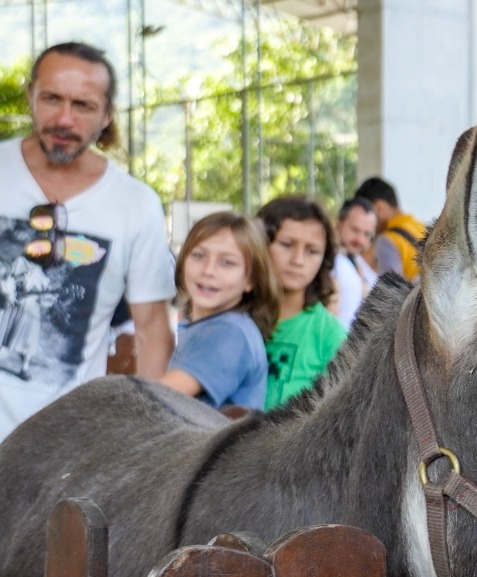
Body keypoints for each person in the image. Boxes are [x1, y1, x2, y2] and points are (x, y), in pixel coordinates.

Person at [0, 41, 174, 440]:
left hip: (64, 451)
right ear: (30, 97)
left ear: (107, 115)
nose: (64, 118)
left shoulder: (136, 204)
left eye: (83, 106)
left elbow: (151, 329)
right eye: (51, 99)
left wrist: (153, 439)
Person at [158, 212, 275, 410]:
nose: (209, 270)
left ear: (251, 280)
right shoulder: (209, 325)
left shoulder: (230, 333)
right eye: (199, 255)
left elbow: (161, 397)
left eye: (227, 262)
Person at [258, 196, 346, 409]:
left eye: (312, 251)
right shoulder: (235, 320)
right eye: (286, 245)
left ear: (324, 259)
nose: (298, 260)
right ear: (259, 245)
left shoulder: (330, 334)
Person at [353, 176, 427, 283]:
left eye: (367, 212)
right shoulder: (420, 226)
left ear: (379, 207)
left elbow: (391, 291)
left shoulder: (387, 240)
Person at [331, 196, 378, 329]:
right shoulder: (325, 260)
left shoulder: (357, 261)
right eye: (355, 230)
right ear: (338, 225)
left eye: (367, 234)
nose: (360, 239)